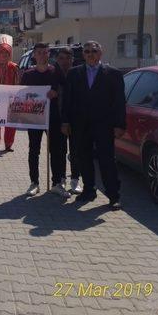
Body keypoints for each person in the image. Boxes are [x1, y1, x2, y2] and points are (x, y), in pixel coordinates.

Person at [61, 41, 126, 210]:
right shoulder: (74, 73)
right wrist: (65, 121)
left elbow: (119, 102)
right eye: (87, 51)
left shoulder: (113, 74)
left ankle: (113, 196)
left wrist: (120, 124)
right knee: (84, 159)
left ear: (100, 53)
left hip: (104, 125)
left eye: (94, 51)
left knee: (107, 160)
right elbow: (68, 100)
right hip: (80, 125)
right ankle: (89, 190)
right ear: (83, 54)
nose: (91, 54)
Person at [20, 43, 70, 198]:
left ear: (49, 54)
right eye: (39, 52)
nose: (42, 55)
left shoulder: (56, 71)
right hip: (34, 118)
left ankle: (58, 183)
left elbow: (66, 90)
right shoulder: (28, 74)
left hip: (54, 117)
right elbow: (21, 95)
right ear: (34, 55)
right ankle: (34, 183)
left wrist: (56, 92)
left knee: (57, 151)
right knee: (34, 150)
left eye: (45, 52)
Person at [54, 47, 82, 194]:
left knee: (76, 151)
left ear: (72, 59)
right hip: (57, 119)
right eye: (61, 58)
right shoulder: (52, 74)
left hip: (76, 119)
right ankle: (61, 179)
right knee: (59, 151)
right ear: (57, 60)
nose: (64, 61)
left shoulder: (79, 74)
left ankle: (76, 179)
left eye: (67, 58)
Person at [0, 34, 20, 153]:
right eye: (2, 54)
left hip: (10, 99)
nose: (4, 56)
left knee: (11, 122)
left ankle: (8, 144)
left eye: (6, 54)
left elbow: (17, 83)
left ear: (9, 55)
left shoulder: (14, 67)